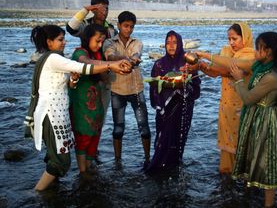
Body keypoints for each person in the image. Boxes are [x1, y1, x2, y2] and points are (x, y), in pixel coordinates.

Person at [29, 24, 131, 191]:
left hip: (58, 115)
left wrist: (74, 80)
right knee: (61, 161)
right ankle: (35, 193)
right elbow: (83, 66)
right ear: (49, 42)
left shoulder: (55, 58)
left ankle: (50, 189)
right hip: (51, 114)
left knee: (56, 156)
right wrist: (111, 65)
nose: (64, 43)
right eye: (60, 40)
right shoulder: (54, 58)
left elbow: (68, 82)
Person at [230, 31, 277, 208]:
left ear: (268, 52)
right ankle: (253, 195)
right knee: (256, 157)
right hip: (258, 117)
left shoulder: (272, 76)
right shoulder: (262, 68)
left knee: (267, 161)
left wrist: (238, 80)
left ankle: (269, 204)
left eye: (258, 48)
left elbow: (249, 98)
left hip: (266, 123)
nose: (256, 52)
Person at [192, 23, 255, 174]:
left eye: (235, 38)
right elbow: (215, 72)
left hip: (243, 108)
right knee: (227, 148)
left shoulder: (251, 55)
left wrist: (204, 59)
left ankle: (247, 181)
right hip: (227, 108)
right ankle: (227, 176)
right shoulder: (225, 52)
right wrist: (199, 67)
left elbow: (229, 70)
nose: (231, 43)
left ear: (245, 37)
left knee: (244, 145)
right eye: (229, 39)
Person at [145, 30, 201, 174]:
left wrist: (185, 81)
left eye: (175, 42)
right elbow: (153, 88)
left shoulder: (188, 64)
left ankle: (175, 166)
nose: (171, 46)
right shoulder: (159, 64)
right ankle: (159, 166)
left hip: (183, 109)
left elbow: (196, 89)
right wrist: (162, 96)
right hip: (165, 111)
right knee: (163, 138)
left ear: (181, 44)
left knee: (179, 139)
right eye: (168, 42)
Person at [103, 11, 151, 163]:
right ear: (118, 25)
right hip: (117, 90)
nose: (129, 29)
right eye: (125, 26)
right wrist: (127, 59)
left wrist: (133, 59)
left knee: (143, 126)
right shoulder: (109, 42)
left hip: (136, 89)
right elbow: (109, 57)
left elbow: (137, 55)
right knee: (118, 127)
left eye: (131, 27)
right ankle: (118, 160)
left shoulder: (137, 42)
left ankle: (148, 158)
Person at [69, 24, 113, 176]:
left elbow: (105, 79)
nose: (100, 45)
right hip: (82, 107)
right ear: (87, 39)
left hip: (96, 107)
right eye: (97, 41)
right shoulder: (79, 53)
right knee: (83, 138)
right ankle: (83, 174)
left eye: (102, 41)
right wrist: (110, 65)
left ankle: (88, 170)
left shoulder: (97, 56)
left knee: (94, 139)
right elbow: (85, 62)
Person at [66, 0, 117, 117]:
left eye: (107, 9)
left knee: (101, 112)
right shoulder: (85, 26)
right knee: (84, 110)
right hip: (86, 72)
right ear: (94, 9)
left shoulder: (110, 30)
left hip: (104, 73)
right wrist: (86, 10)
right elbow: (70, 27)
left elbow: (114, 48)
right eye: (101, 8)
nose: (105, 12)